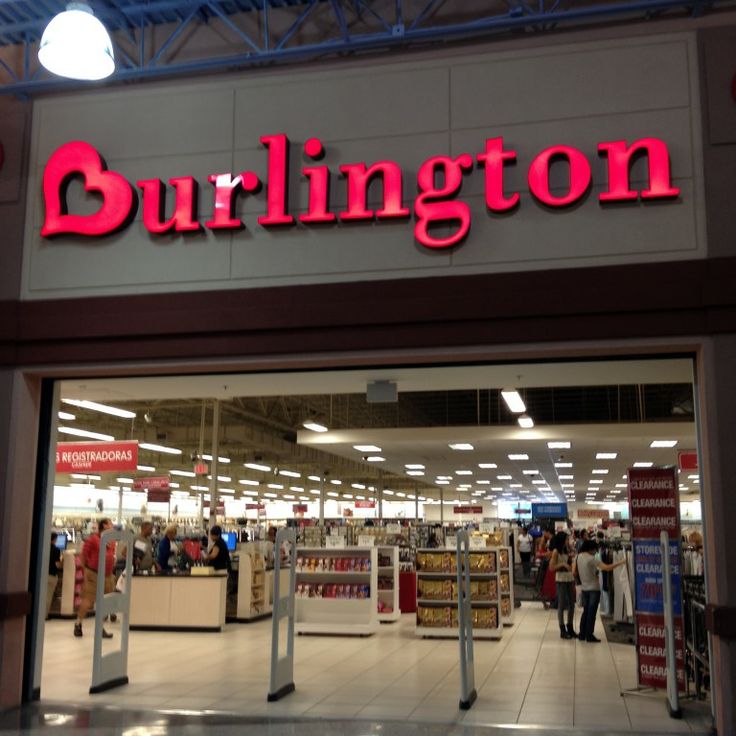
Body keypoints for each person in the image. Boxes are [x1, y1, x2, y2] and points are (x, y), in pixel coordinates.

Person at [573, 539, 627, 642]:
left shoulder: (578, 556)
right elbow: (607, 568)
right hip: (594, 589)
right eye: (595, 550)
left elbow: (576, 572)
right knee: (591, 613)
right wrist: (621, 562)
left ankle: (582, 634)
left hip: (584, 589)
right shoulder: (591, 559)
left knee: (586, 612)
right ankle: (589, 635)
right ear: (591, 549)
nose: (596, 552)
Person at [74, 518, 115, 638]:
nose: (112, 526)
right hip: (93, 574)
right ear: (104, 526)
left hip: (107, 576)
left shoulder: (111, 541)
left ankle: (100, 628)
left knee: (106, 603)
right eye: (110, 524)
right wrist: (84, 573)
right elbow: (83, 557)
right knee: (87, 601)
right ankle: (78, 624)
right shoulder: (93, 539)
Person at [549, 530, 576, 639]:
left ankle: (570, 627)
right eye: (566, 539)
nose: (567, 541)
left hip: (569, 578)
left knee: (571, 604)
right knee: (561, 604)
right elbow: (552, 568)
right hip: (560, 579)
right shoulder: (556, 552)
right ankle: (562, 629)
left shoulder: (567, 549)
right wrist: (563, 564)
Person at [47, 532, 62, 618]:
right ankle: (45, 615)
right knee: (48, 596)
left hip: (44, 574)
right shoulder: (56, 550)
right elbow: (57, 564)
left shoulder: (43, 547)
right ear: (55, 539)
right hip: (52, 574)